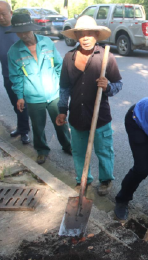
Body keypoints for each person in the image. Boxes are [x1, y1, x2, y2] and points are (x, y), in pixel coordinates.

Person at [56, 16, 123, 196]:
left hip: (100, 117)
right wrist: (62, 110)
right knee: (78, 152)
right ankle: (83, 179)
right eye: (81, 34)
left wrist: (107, 86)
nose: (85, 38)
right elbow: (64, 88)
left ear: (96, 35)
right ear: (76, 36)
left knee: (104, 151)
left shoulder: (106, 56)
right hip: (77, 116)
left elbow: (118, 84)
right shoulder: (69, 58)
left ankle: (106, 180)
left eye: (89, 34)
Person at [7, 13, 71, 164]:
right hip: (33, 96)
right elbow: (16, 77)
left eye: (26, 31)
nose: (24, 35)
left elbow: (58, 65)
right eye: (20, 32)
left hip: (54, 93)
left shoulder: (47, 42)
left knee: (61, 122)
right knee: (37, 126)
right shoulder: (14, 52)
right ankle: (42, 150)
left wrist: (62, 88)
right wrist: (20, 96)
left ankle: (67, 145)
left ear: (32, 29)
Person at [0, 0, 30, 144]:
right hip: (8, 74)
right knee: (16, 104)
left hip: (24, 75)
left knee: (23, 104)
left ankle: (25, 131)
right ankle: (21, 127)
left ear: (11, 13)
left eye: (3, 14)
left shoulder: (19, 28)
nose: (0, 17)